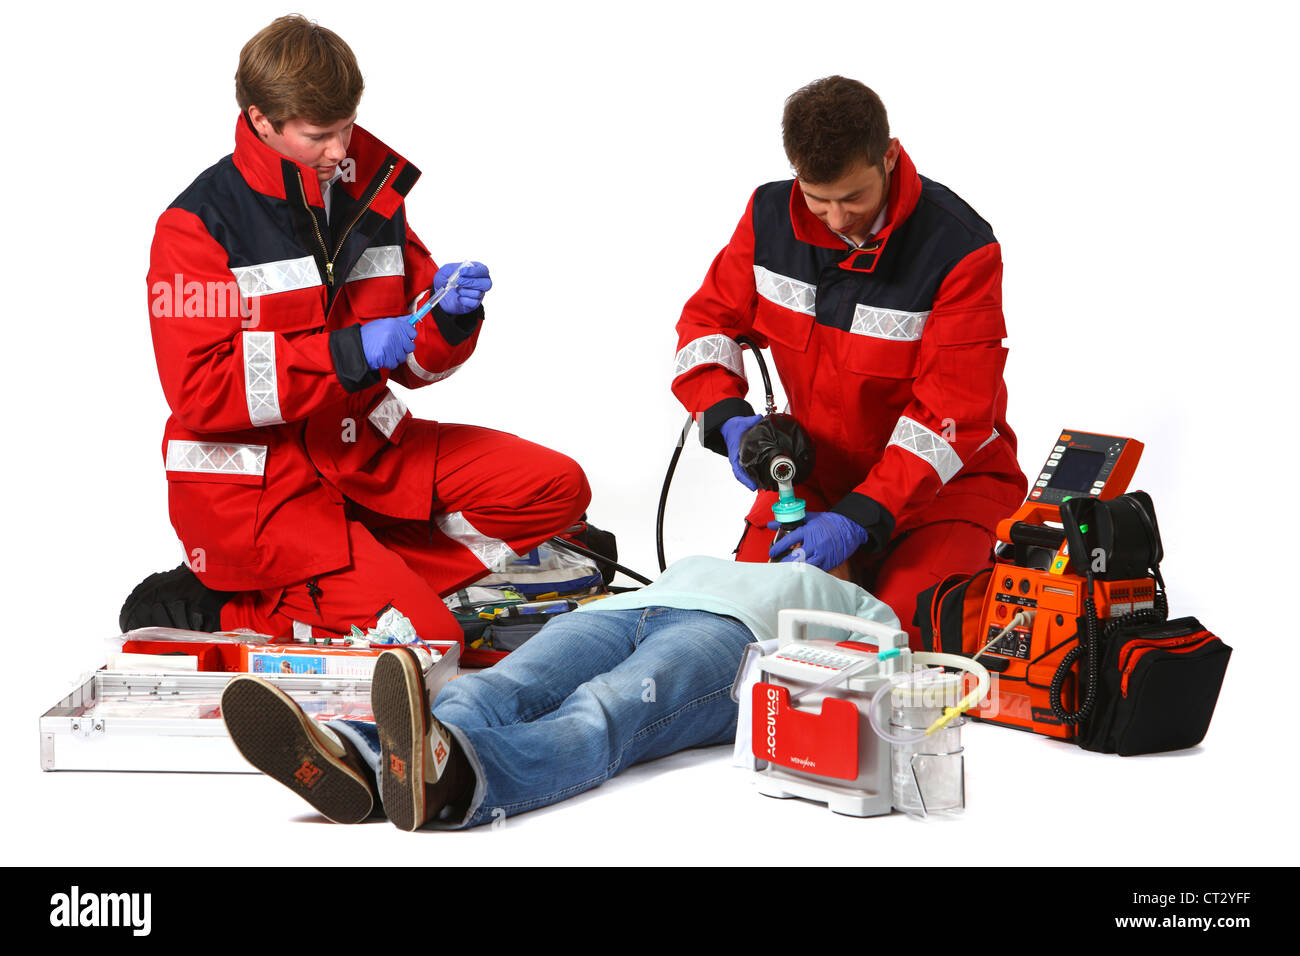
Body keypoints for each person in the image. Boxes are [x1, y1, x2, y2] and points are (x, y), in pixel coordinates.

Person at [121, 16, 589, 646]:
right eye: (319, 136)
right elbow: (202, 392)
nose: (341, 150)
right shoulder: (196, 227)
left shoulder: (366, 192)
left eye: (345, 127)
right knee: (431, 642)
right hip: (264, 492)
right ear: (262, 121)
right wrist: (348, 354)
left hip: (363, 456)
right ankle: (232, 610)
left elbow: (416, 362)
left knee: (556, 489)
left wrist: (447, 316)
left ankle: (377, 582)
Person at [671, 76, 1027, 647]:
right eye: (818, 200)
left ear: (888, 157)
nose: (836, 220)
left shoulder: (959, 249)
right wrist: (728, 418)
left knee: (898, 637)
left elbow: (951, 416)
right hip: (812, 481)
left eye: (853, 198)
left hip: (942, 486)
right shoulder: (768, 217)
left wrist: (861, 517)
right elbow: (707, 326)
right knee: (750, 628)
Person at [220, 556, 900, 829]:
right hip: (620, 609)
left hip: (732, 639)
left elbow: (885, 656)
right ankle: (359, 756)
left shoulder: (850, 593)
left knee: (604, 708)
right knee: (496, 684)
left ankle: (457, 779)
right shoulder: (706, 556)